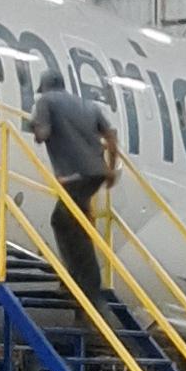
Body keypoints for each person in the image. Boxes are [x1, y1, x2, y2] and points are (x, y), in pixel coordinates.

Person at [29, 70, 119, 321]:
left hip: (74, 176)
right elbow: (111, 135)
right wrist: (111, 168)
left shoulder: (46, 101)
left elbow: (42, 134)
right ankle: (77, 284)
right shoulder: (87, 105)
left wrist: (34, 127)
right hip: (96, 173)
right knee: (77, 223)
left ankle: (85, 288)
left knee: (62, 222)